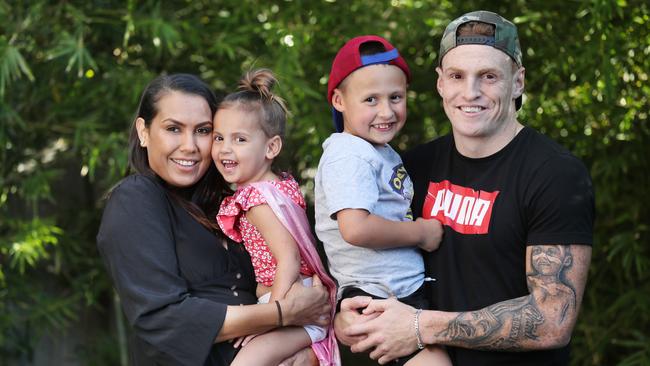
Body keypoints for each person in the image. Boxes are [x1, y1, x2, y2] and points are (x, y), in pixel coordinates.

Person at [335, 10, 594, 366]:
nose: (470, 92)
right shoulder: (412, 166)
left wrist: (419, 326)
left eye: (488, 76)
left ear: (517, 82)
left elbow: (552, 320)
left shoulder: (556, 175)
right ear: (441, 83)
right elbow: (360, 252)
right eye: (457, 76)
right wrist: (343, 314)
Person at [97, 73, 330, 366]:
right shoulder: (136, 199)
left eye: (204, 131)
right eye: (173, 129)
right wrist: (282, 313)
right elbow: (164, 319)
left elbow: (307, 274)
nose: (190, 146)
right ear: (143, 131)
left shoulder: (234, 201)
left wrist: (307, 354)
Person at [315, 35, 450, 365]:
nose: (386, 111)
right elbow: (356, 229)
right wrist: (421, 233)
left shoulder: (377, 151)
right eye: (371, 100)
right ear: (339, 100)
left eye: (395, 97)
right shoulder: (350, 154)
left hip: (396, 290)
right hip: (375, 297)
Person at [212, 69, 340, 366]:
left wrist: (272, 318)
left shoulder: (258, 199)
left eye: (239, 139)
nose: (225, 148)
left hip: (295, 307)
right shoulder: (278, 185)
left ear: (271, 147)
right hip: (288, 303)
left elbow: (289, 259)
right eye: (219, 138)